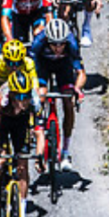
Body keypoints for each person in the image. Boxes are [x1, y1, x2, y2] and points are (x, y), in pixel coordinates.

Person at [0, 66, 39, 217]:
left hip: (21, 123)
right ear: (12, 95)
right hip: (2, 122)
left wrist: (39, 156)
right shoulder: (2, 101)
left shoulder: (34, 101)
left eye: (25, 96)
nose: (23, 101)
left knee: (22, 165)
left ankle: (22, 212)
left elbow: (39, 132)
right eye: (19, 97)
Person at [32, 14, 86, 151]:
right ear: (47, 40)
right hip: (43, 65)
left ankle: (66, 149)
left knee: (68, 103)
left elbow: (81, 73)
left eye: (61, 44)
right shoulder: (39, 42)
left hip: (63, 66)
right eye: (54, 44)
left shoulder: (72, 44)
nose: (58, 47)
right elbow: (30, 68)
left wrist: (78, 89)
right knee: (40, 97)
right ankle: (35, 125)